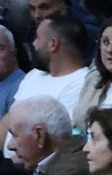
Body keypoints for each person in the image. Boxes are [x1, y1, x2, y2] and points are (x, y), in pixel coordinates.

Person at [3, 95, 96, 175]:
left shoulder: (72, 171)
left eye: (15, 135)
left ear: (39, 134)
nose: (10, 146)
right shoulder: (45, 163)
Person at [7, 14, 94, 143]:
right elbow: (8, 121)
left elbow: (57, 138)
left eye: (37, 37)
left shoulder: (82, 82)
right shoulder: (34, 74)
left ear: (53, 44)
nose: (34, 43)